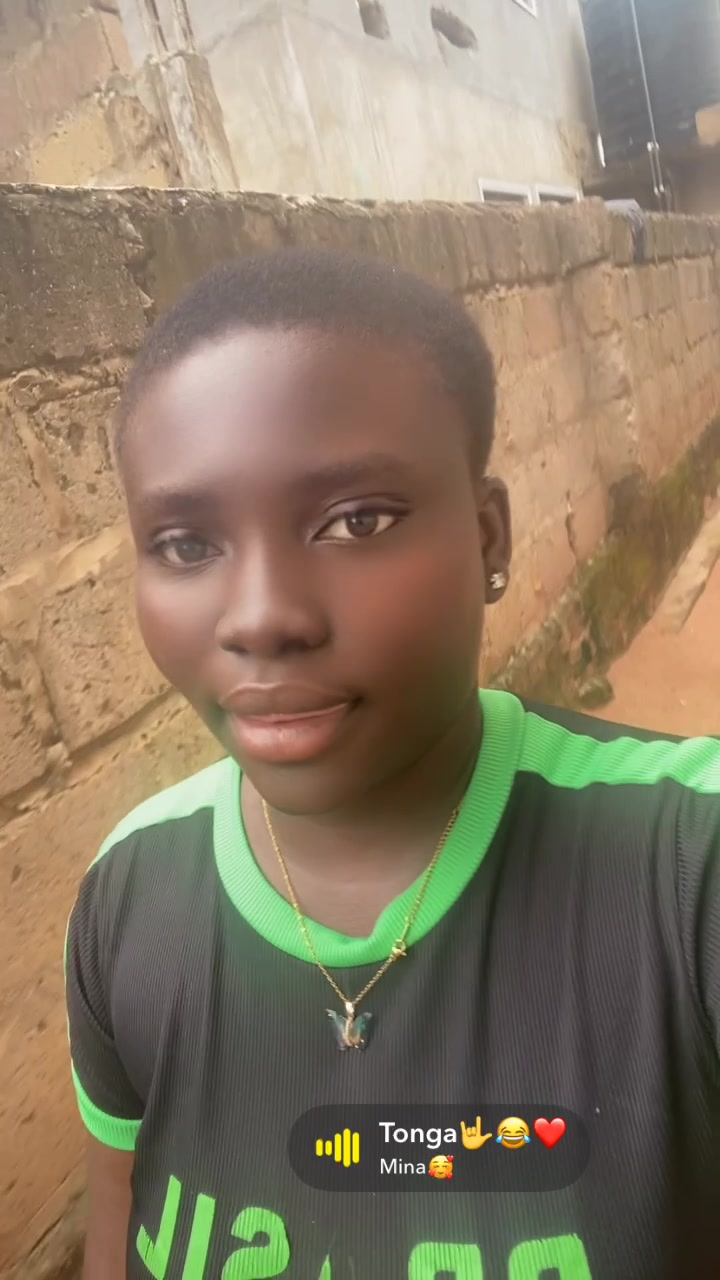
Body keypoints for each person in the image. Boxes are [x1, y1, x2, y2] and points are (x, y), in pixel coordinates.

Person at [65, 248, 720, 1280]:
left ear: (488, 535)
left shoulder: (684, 872)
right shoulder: (131, 897)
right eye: (187, 544)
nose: (262, 617)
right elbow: (116, 1223)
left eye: (355, 521)